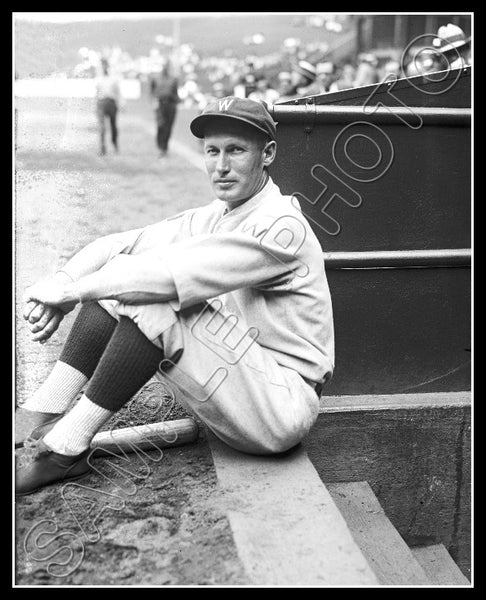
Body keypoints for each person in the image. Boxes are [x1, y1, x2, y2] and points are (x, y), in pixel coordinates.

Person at [15, 97, 335, 495]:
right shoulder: (216, 213)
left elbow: (164, 280)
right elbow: (116, 245)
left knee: (151, 297)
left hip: (279, 406)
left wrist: (72, 293)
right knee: (117, 280)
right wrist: (63, 280)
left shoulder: (281, 225)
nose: (221, 166)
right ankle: (43, 409)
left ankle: (66, 449)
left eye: (236, 151)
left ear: (267, 154)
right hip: (234, 382)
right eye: (212, 151)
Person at [150, 63, 180, 157]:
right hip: (160, 105)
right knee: (161, 126)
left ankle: (164, 148)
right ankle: (160, 146)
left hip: (171, 105)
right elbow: (152, 92)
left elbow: (175, 93)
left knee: (168, 127)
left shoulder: (173, 79)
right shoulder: (156, 79)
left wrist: (177, 101)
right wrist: (153, 101)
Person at [95, 58, 122, 156]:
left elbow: (118, 93)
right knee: (102, 127)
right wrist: (96, 106)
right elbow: (97, 93)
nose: (104, 68)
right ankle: (102, 148)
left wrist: (120, 103)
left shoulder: (113, 79)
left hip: (111, 103)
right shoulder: (98, 79)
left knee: (113, 126)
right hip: (101, 103)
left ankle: (115, 144)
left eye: (105, 66)